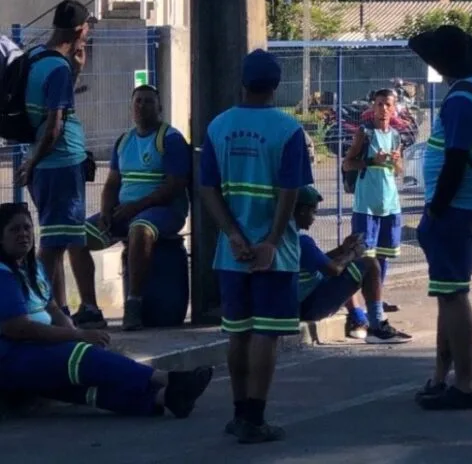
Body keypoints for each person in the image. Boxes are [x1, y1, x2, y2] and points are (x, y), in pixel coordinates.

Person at [0, 202, 212, 418]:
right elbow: (18, 328)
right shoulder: (2, 274)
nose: (23, 234)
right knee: (83, 357)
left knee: (85, 389)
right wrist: (77, 336)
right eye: (14, 230)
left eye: (27, 228)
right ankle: (168, 378)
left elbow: (53, 309)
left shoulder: (32, 269)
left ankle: (165, 397)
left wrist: (73, 336)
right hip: (13, 355)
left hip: (36, 350)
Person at [198, 49, 313, 445]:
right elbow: (291, 191)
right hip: (272, 253)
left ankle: (237, 413)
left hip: (232, 252)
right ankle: (256, 415)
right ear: (277, 86)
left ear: (242, 82)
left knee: (238, 333)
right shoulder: (288, 130)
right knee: (266, 333)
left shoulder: (218, 127)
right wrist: (271, 241)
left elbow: (208, 188)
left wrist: (231, 233)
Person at [408, 25, 472, 411]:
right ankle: (443, 376)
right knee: (447, 293)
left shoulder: (462, 100)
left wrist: (437, 206)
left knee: (454, 293)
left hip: (456, 209)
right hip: (464, 208)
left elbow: (457, 159)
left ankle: (464, 384)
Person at [14, 0, 100, 328]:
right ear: (78, 29)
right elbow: (54, 126)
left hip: (45, 162)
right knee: (52, 244)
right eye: (87, 27)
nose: (88, 32)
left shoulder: (36, 57)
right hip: (60, 162)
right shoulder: (58, 69)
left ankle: (60, 311)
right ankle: (35, 310)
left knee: (60, 238)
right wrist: (34, 162)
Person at [78, 85, 190, 331]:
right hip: (125, 211)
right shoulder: (124, 141)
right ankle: (90, 308)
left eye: (148, 102)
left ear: (159, 108)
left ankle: (134, 304)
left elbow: (174, 186)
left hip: (163, 211)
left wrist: (135, 207)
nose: (142, 106)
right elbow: (112, 183)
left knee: (140, 229)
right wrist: (107, 211)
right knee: (75, 236)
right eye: (138, 101)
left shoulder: (170, 139)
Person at [294, 186, 411, 343]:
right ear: (301, 211)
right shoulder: (303, 242)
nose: (314, 218)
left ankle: (359, 318)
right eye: (313, 212)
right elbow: (333, 269)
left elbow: (320, 261)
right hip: (309, 306)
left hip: (297, 303)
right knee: (369, 264)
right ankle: (376, 327)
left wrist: (342, 249)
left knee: (353, 267)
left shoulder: (289, 238)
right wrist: (353, 253)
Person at [343, 88, 404, 315]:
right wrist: (370, 161)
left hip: (389, 203)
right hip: (366, 205)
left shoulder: (396, 136)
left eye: (388, 104)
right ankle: (358, 308)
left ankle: (377, 299)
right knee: (363, 258)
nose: (384, 109)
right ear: (372, 107)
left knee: (384, 255)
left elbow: (398, 170)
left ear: (395, 107)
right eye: (379, 104)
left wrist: (396, 161)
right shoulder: (365, 133)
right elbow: (347, 164)